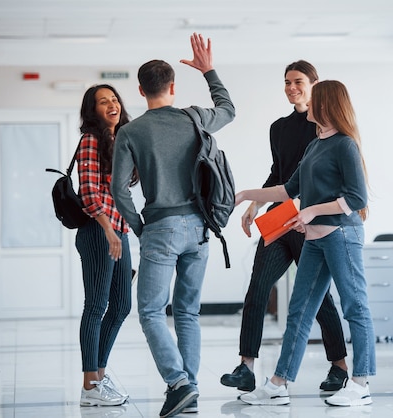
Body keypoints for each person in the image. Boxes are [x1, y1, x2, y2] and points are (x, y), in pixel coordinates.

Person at [111, 33, 235, 418]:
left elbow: (119, 191)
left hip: (161, 228)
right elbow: (228, 109)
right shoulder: (195, 116)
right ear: (172, 87)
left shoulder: (130, 133)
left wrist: (139, 228)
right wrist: (209, 70)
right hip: (200, 229)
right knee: (187, 312)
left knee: (150, 311)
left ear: (140, 90)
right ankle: (190, 385)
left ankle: (179, 383)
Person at [235, 80, 376, 407]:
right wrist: (246, 194)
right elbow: (287, 190)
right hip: (315, 240)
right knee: (299, 312)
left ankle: (361, 382)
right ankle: (279, 384)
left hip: (341, 235)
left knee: (355, 305)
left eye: (315, 99)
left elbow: (355, 198)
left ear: (326, 104)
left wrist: (311, 210)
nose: (308, 103)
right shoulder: (315, 145)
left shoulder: (345, 145)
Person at [220, 60, 349, 394]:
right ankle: (246, 365)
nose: (292, 87)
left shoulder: (327, 128)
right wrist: (255, 204)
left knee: (317, 298)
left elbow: (329, 178)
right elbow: (280, 173)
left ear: (314, 84)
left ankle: (339, 366)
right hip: (280, 217)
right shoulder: (279, 127)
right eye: (287, 82)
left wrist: (312, 214)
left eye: (298, 81)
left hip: (311, 221)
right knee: (258, 288)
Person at [76, 84, 138, 407]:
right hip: (99, 230)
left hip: (119, 230)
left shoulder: (121, 140)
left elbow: (123, 191)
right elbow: (88, 191)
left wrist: (123, 231)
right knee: (97, 306)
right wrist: (109, 231)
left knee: (122, 305)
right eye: (103, 102)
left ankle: (98, 376)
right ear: (93, 110)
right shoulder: (91, 139)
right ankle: (89, 385)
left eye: (114, 99)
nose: (112, 104)